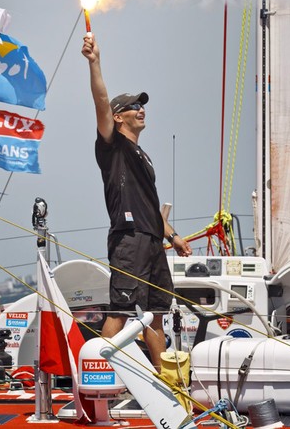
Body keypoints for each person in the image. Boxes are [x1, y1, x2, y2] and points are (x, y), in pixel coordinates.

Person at [82, 34, 192, 371]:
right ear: (118, 117)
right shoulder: (112, 146)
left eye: (142, 105)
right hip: (128, 239)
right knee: (122, 309)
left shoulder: (144, 157)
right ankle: (98, 380)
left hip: (152, 241)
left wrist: (172, 236)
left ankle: (164, 382)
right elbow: (101, 99)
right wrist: (95, 61)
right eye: (133, 106)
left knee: (156, 313)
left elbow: (150, 203)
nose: (141, 109)